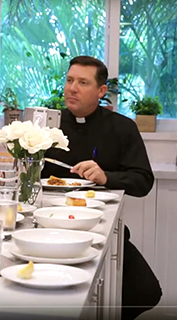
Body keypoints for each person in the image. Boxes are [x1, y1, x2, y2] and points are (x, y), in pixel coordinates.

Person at [42, 56, 162, 320]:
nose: (72, 88)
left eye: (83, 82)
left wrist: (107, 177)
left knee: (146, 291)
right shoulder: (46, 125)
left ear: (101, 91)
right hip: (50, 229)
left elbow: (143, 181)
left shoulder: (122, 128)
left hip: (103, 229)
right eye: (70, 80)